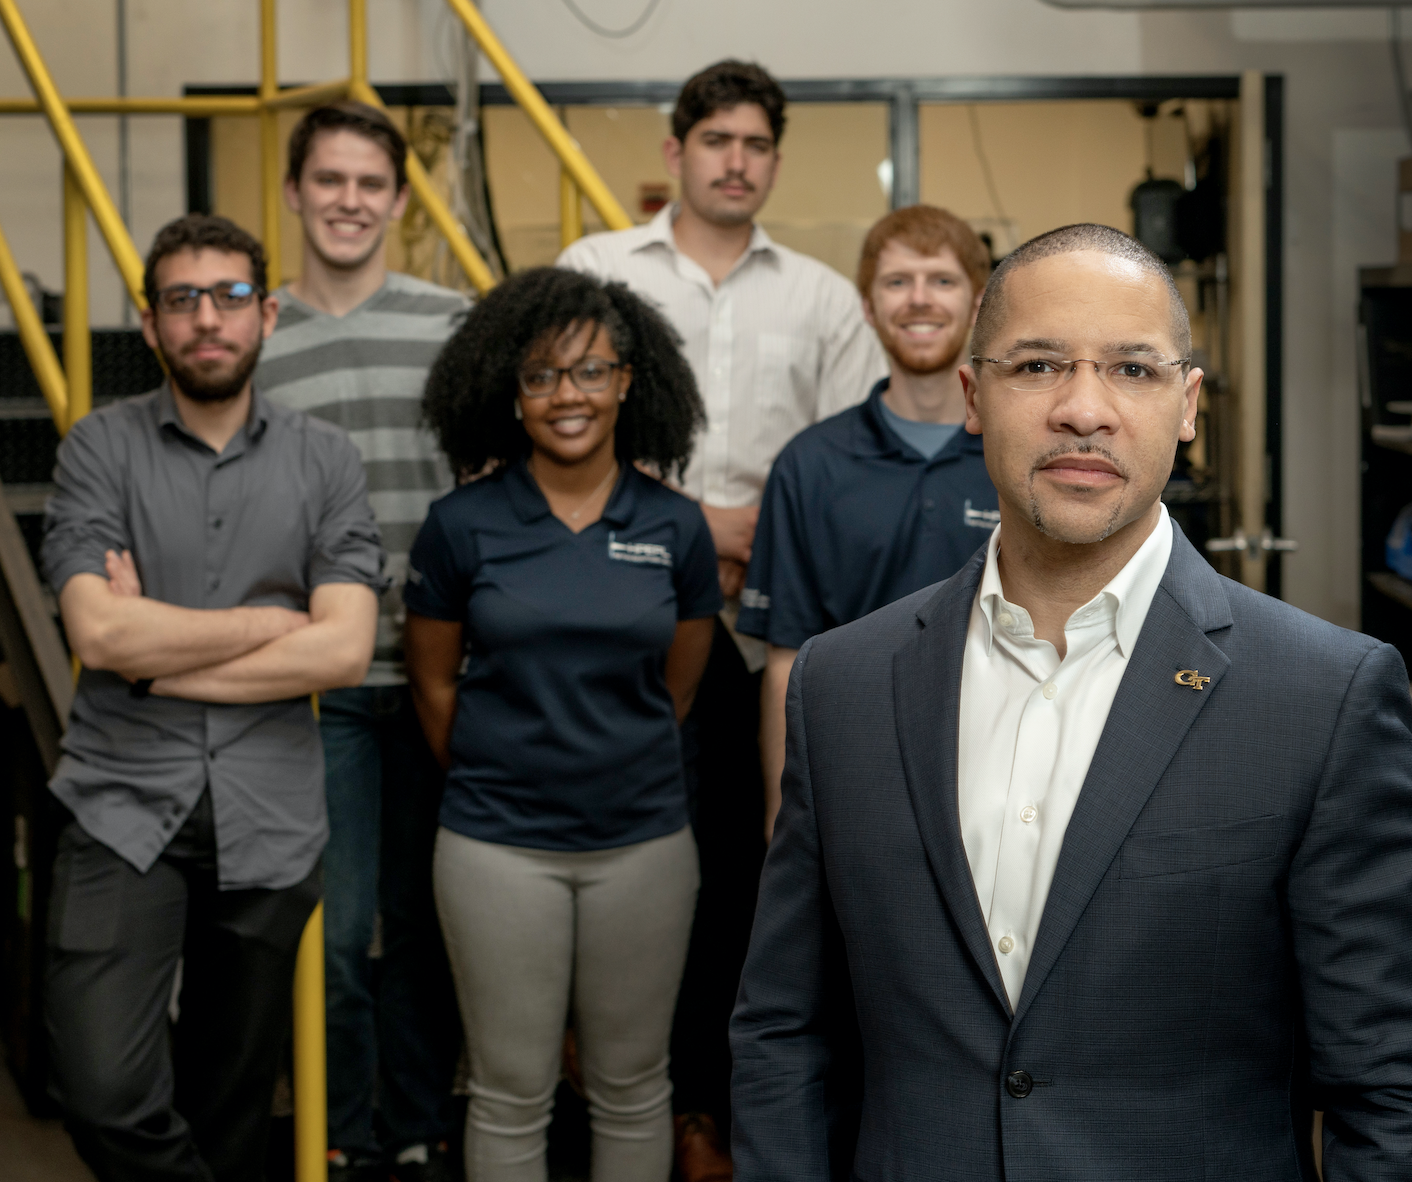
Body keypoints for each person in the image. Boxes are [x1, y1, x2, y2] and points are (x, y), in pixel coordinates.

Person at [730, 223, 1412, 1179]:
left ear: (1187, 405)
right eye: (1038, 365)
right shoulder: (846, 686)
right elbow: (787, 1034)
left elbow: (1400, 1090)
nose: (1084, 410)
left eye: (1132, 370)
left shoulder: (1322, 699)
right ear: (974, 397)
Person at [556, 59, 884, 1170]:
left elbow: (849, 465)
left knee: (756, 879)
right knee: (626, 877)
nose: (735, 162)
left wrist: (764, 538)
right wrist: (708, 524)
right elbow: (557, 439)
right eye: (716, 142)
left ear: (773, 163)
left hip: (770, 639)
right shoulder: (595, 273)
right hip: (616, 632)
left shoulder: (825, 299)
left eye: (755, 146)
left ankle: (728, 1113)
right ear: (674, 154)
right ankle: (634, 1108)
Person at [40, 214, 386, 1182]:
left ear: (267, 314)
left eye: (230, 296)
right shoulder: (96, 451)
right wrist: (271, 626)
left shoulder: (325, 460)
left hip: (267, 815)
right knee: (101, 1089)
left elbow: (347, 650)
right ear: (150, 325)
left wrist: (158, 649)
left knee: (230, 1107)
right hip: (117, 806)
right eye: (182, 299)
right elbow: (99, 633)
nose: (207, 319)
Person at [402, 267, 722, 1182]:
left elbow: (679, 688)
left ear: (629, 380)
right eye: (540, 376)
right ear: (511, 392)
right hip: (497, 848)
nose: (566, 395)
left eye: (590, 371)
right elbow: (433, 689)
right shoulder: (460, 526)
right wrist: (509, 773)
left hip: (645, 847)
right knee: (510, 1090)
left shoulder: (676, 527)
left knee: (632, 1085)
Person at [254, 100, 472, 1182]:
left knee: (425, 927)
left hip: (441, 677)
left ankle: (422, 1126)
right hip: (314, 687)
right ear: (294, 193)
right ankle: (340, 1134)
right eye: (328, 181)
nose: (348, 202)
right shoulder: (252, 339)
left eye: (369, 185)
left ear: (397, 199)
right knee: (335, 941)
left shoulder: (450, 324)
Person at [738, 205, 997, 841]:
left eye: (941, 280)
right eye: (896, 281)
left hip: (1004, 776)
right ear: (866, 305)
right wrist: (784, 825)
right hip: (851, 779)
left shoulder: (1017, 457)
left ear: (979, 302)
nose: (919, 301)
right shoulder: (810, 465)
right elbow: (785, 663)